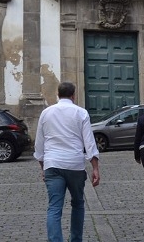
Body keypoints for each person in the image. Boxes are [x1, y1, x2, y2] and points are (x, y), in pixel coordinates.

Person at [34, 82, 100, 242]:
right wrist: (95, 168)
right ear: (73, 95)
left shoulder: (46, 113)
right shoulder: (81, 113)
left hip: (53, 164)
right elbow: (89, 143)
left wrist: (43, 167)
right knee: (77, 204)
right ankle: (76, 239)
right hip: (74, 165)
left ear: (58, 94)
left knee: (54, 207)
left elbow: (39, 144)